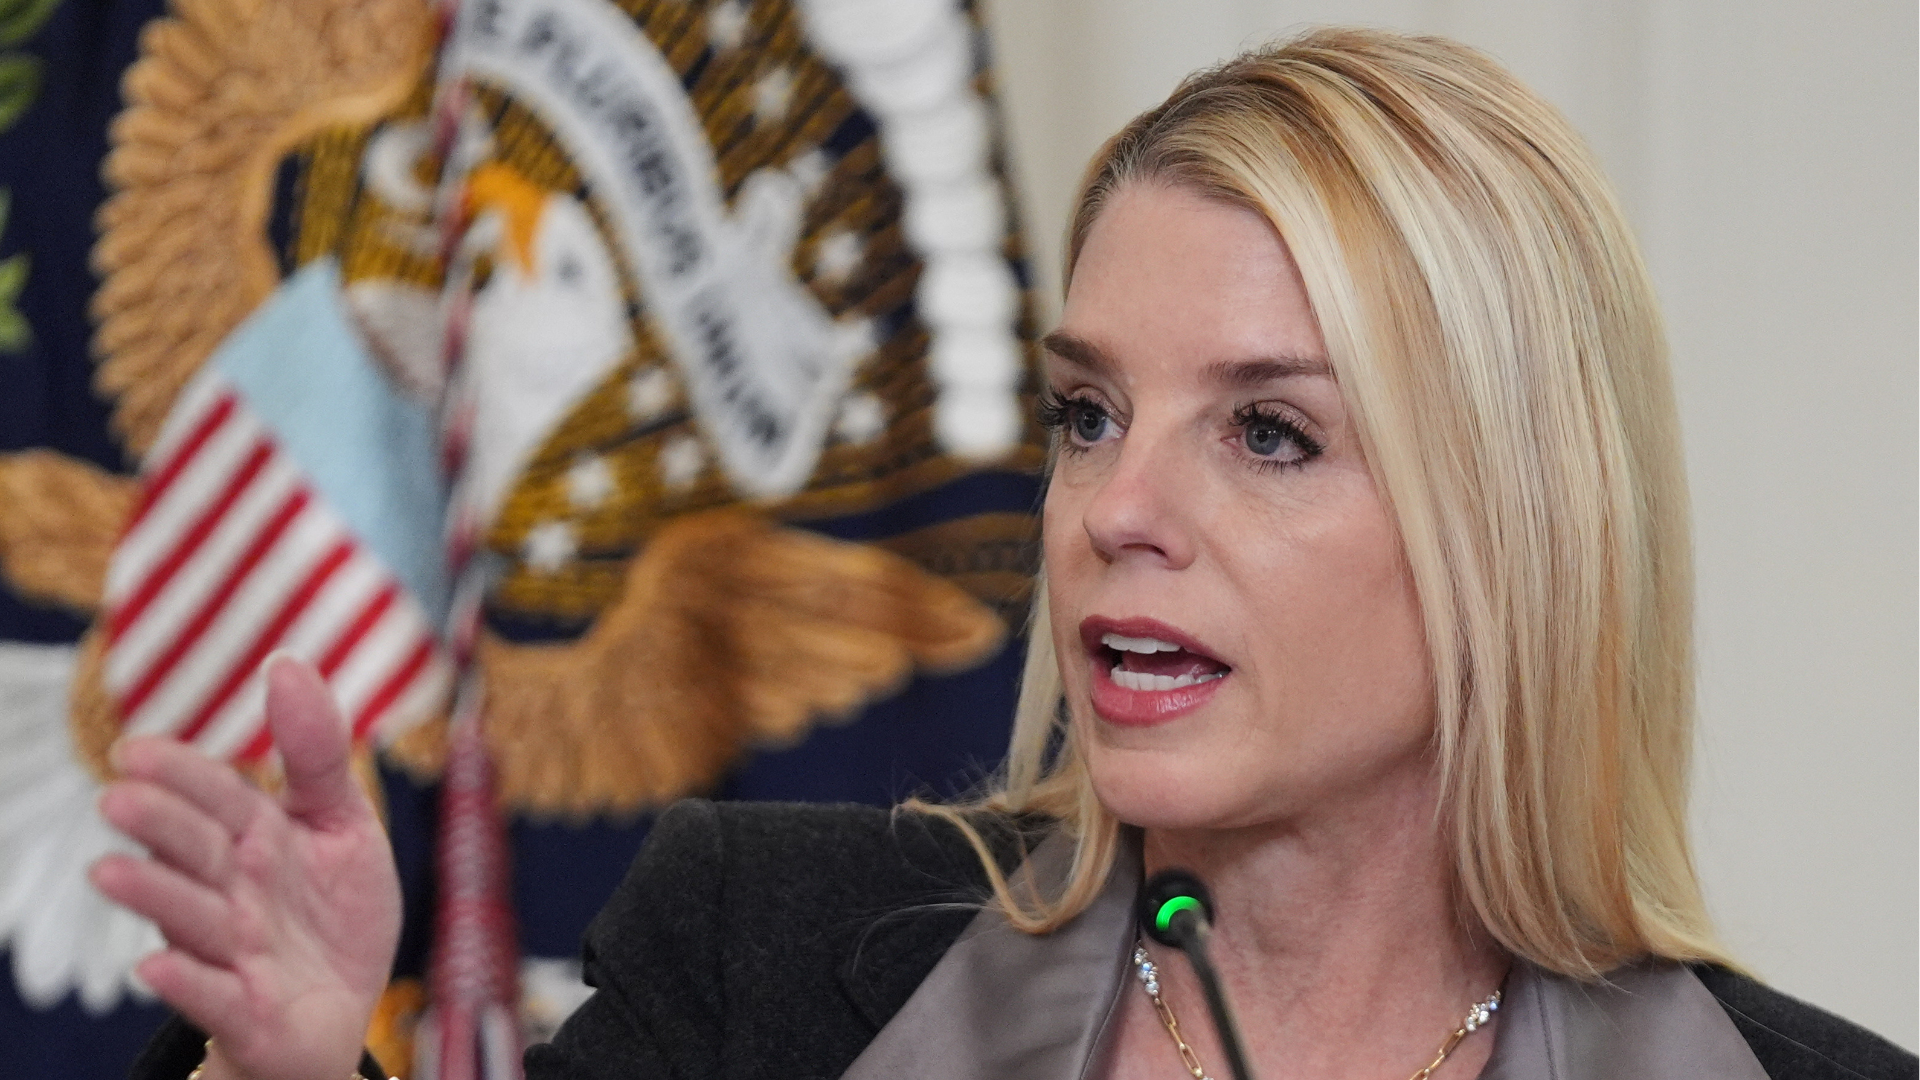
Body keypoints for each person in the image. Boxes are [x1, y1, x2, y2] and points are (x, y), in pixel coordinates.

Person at [97, 27, 1914, 1080]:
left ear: (1517, 536)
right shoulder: (768, 966)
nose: (1120, 509)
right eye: (1086, 413)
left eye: (1267, 432)